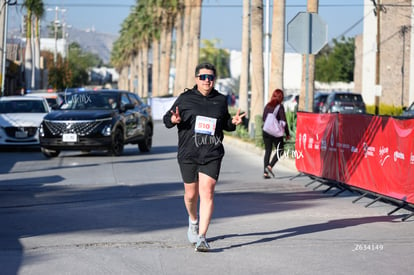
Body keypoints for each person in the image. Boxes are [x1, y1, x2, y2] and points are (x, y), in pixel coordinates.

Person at [163, 62, 245, 252]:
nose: (207, 81)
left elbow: (224, 123)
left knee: (207, 192)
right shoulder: (185, 99)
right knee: (191, 196)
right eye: (203, 77)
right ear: (196, 79)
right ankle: (193, 220)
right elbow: (168, 119)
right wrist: (173, 120)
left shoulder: (221, 100)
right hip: (188, 153)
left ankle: (202, 237)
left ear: (214, 80)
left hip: (212, 152)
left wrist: (233, 123)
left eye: (210, 77)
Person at [262, 88, 290, 179]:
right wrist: (287, 133)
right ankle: (269, 167)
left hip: (266, 131)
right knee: (280, 150)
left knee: (268, 151)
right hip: (275, 132)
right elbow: (284, 121)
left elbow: (263, 118)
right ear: (281, 97)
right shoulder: (280, 107)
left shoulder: (267, 106)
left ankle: (265, 173)